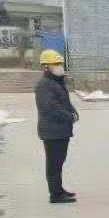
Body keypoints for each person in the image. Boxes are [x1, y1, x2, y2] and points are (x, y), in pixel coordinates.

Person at [34, 49, 79, 204]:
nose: (60, 66)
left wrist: (73, 111)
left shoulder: (57, 82)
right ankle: (55, 195)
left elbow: (65, 102)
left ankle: (59, 190)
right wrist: (69, 117)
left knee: (59, 162)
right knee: (54, 164)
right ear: (46, 67)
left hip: (60, 130)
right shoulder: (45, 85)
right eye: (56, 64)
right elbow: (50, 108)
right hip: (52, 131)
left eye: (60, 63)